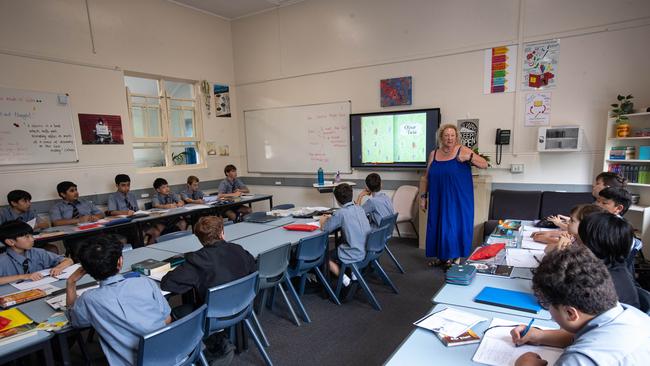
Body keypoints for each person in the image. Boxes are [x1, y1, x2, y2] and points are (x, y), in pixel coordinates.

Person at [510, 245, 650, 366]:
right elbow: (588, 334)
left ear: (571, 313)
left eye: (549, 305)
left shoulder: (579, 360)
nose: (550, 311)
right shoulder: (630, 313)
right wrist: (539, 335)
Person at [66, 236, 171, 366]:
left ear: (86, 270)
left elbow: (74, 320)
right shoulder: (145, 282)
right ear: (120, 262)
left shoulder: (89, 299)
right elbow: (167, 320)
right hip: (173, 353)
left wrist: (71, 282)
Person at [420, 124, 487, 267]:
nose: (449, 138)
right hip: (438, 197)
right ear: (441, 137)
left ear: (456, 137)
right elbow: (426, 177)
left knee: (454, 225)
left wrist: (469, 157)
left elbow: (484, 164)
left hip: (458, 198)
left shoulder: (462, 150)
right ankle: (442, 257)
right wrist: (423, 197)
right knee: (438, 225)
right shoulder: (434, 154)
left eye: (452, 135)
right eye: (446, 135)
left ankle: (454, 257)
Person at [578, 212, 640, 309]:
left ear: (593, 244)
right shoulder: (613, 263)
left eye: (581, 239)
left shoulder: (600, 279)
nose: (578, 243)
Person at [320, 183, 371, 287]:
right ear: (351, 195)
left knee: (323, 256)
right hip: (367, 249)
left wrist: (322, 220)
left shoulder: (341, 213)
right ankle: (353, 272)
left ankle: (344, 278)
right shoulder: (359, 208)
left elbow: (325, 229)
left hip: (354, 253)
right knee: (341, 241)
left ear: (337, 201)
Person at [0, 220, 73, 285]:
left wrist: (59, 268)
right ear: (10, 242)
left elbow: (68, 260)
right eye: (27, 237)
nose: (32, 239)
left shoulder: (38, 252)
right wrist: (24, 276)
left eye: (32, 235)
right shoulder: (2, 260)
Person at [538, 204, 604, 251]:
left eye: (572, 220)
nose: (568, 222)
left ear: (586, 225)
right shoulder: (575, 239)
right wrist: (560, 244)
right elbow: (547, 249)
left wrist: (566, 248)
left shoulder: (587, 249)